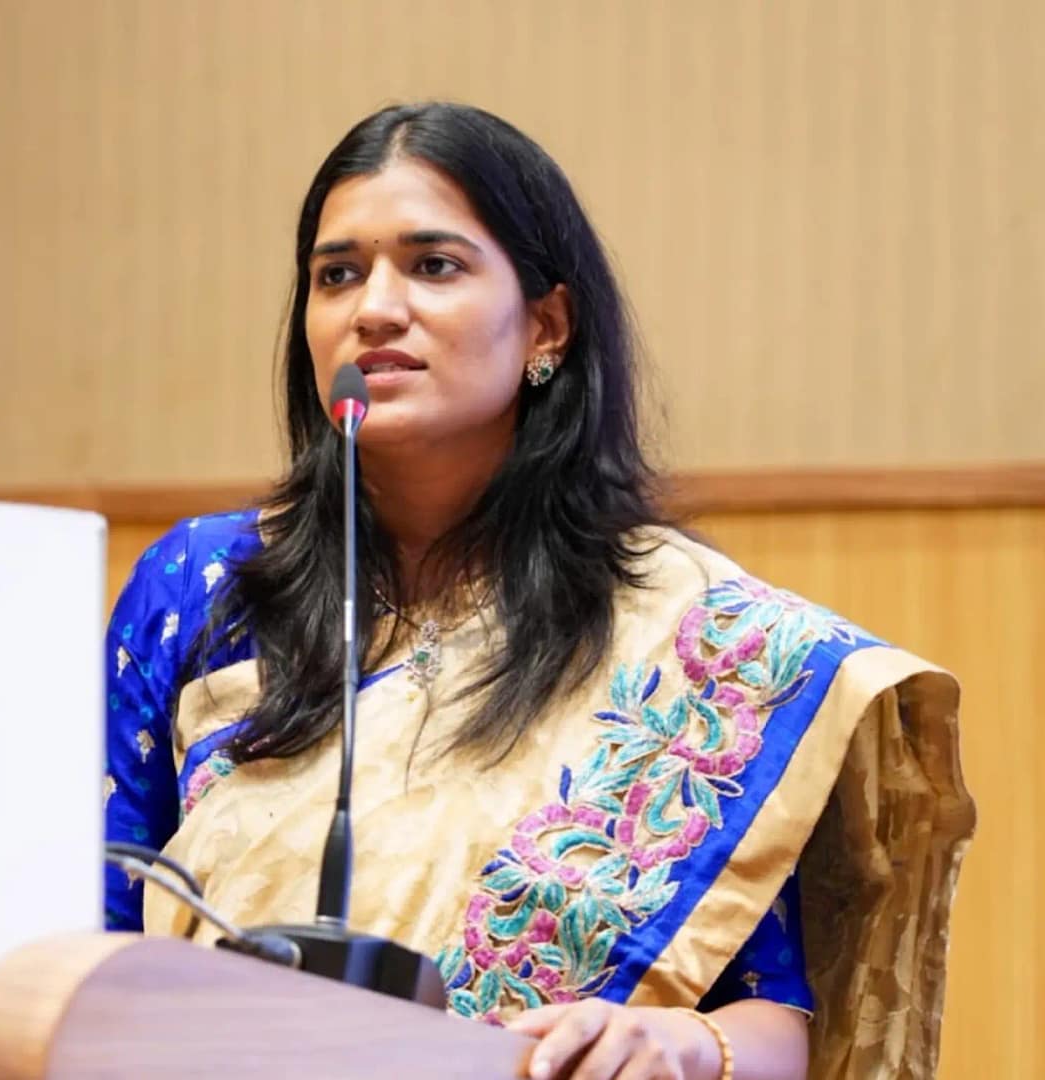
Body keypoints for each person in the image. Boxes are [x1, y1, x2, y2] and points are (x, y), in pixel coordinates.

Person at [103, 102, 974, 1080]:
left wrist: (681, 1042)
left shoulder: (687, 641)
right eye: (335, 273)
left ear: (545, 326)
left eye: (433, 266)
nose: (373, 307)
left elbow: (771, 1016)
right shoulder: (204, 588)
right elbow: (85, 926)